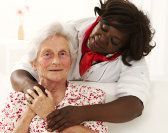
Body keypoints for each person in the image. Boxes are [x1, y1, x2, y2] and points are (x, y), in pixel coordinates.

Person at [10, 0, 155, 132]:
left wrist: (83, 112)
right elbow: (19, 72)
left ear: (125, 47)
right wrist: (35, 95)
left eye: (114, 41)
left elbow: (134, 106)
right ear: (99, 18)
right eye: (103, 28)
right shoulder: (66, 32)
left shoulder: (132, 58)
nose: (102, 38)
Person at [0, 22, 108, 133]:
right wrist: (28, 114)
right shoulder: (16, 100)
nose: (56, 61)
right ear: (33, 64)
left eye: (62, 53)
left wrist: (49, 114)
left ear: (70, 61)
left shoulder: (91, 97)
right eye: (47, 54)